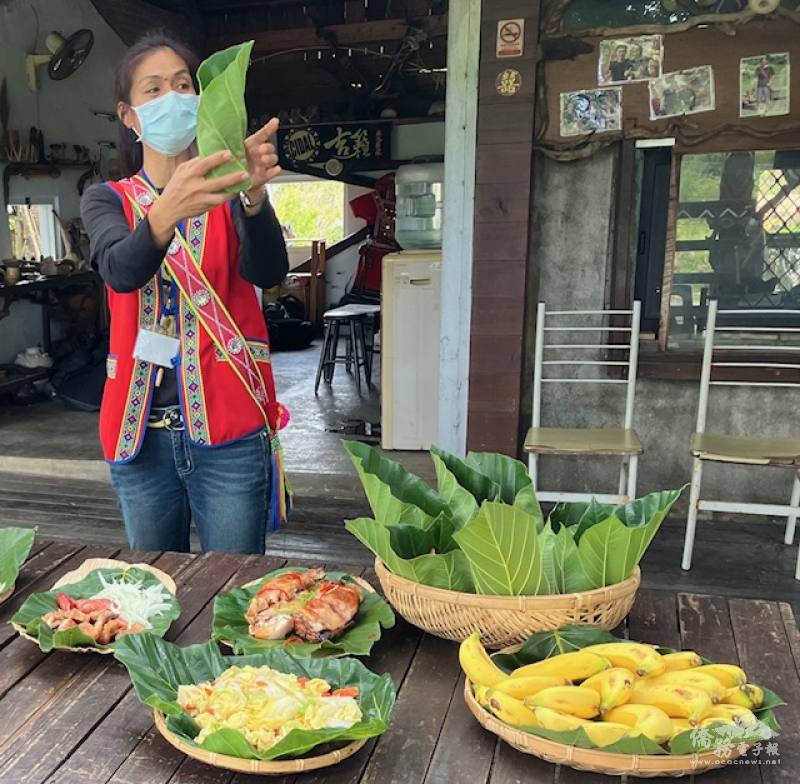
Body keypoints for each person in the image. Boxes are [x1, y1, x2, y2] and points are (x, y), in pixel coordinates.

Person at [81, 33, 290, 554]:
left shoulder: (232, 195)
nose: (172, 97)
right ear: (128, 115)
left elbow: (269, 271)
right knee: (152, 594)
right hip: (139, 436)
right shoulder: (105, 199)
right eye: (153, 90)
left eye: (182, 85)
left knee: (234, 593)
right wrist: (166, 210)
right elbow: (120, 270)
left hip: (231, 431)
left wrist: (254, 197)